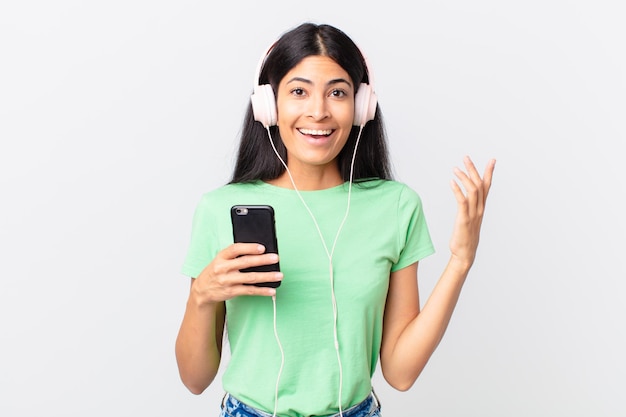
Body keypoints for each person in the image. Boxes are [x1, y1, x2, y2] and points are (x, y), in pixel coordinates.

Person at [175, 22, 495, 417]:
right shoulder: (219, 209)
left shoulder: (396, 206)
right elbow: (194, 379)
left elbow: (401, 372)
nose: (319, 111)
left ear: (362, 107)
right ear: (268, 105)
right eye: (298, 91)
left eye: (338, 93)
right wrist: (201, 296)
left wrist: (461, 261)